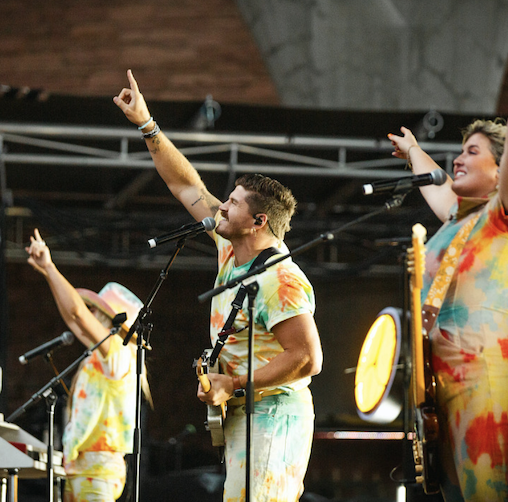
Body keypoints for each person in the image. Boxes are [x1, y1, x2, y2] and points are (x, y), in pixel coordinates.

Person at [113, 70, 323, 502]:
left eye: (232, 203)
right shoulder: (231, 250)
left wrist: (234, 383)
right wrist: (147, 125)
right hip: (249, 414)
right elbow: (187, 184)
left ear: (258, 221)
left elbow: (307, 358)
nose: (221, 206)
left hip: (276, 415)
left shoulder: (280, 279)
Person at [387, 31, 508, 502]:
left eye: (472, 151)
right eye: (459, 151)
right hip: (450, 381)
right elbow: (440, 190)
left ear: (500, 170)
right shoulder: (461, 223)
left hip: (489, 373)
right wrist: (414, 153)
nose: (458, 158)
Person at [27, 228, 150, 502]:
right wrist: (47, 273)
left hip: (99, 470)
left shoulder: (118, 355)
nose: (91, 314)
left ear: (110, 321)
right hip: (83, 469)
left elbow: (78, 315)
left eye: (97, 311)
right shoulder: (102, 355)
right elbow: (74, 320)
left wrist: (50, 266)